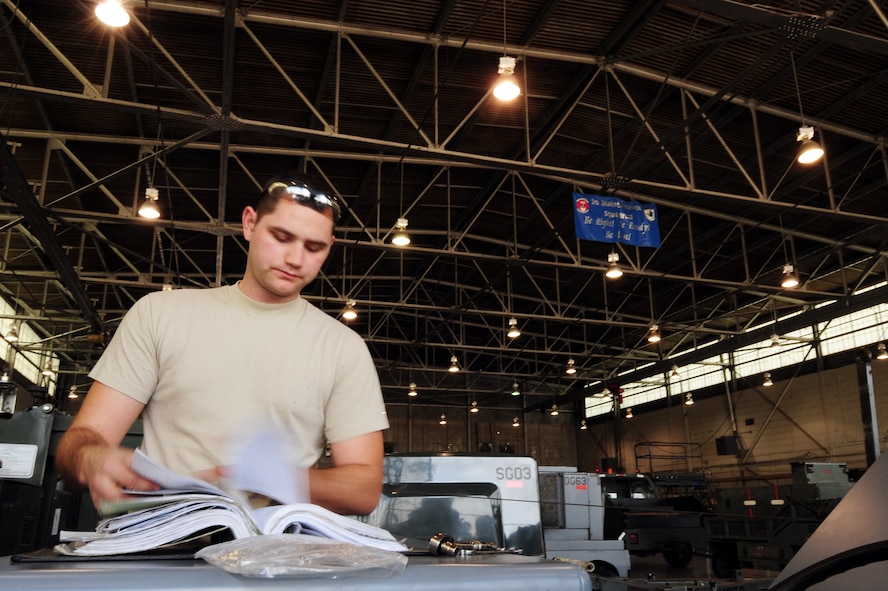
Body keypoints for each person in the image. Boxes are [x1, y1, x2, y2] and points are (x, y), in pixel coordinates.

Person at [56, 174, 389, 516]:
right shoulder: (159, 315)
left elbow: (363, 490)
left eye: (314, 247)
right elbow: (79, 441)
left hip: (274, 554)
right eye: (281, 237)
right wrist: (92, 457)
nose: (295, 259)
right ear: (249, 224)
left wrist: (262, 478)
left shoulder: (343, 349)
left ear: (329, 247)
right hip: (161, 543)